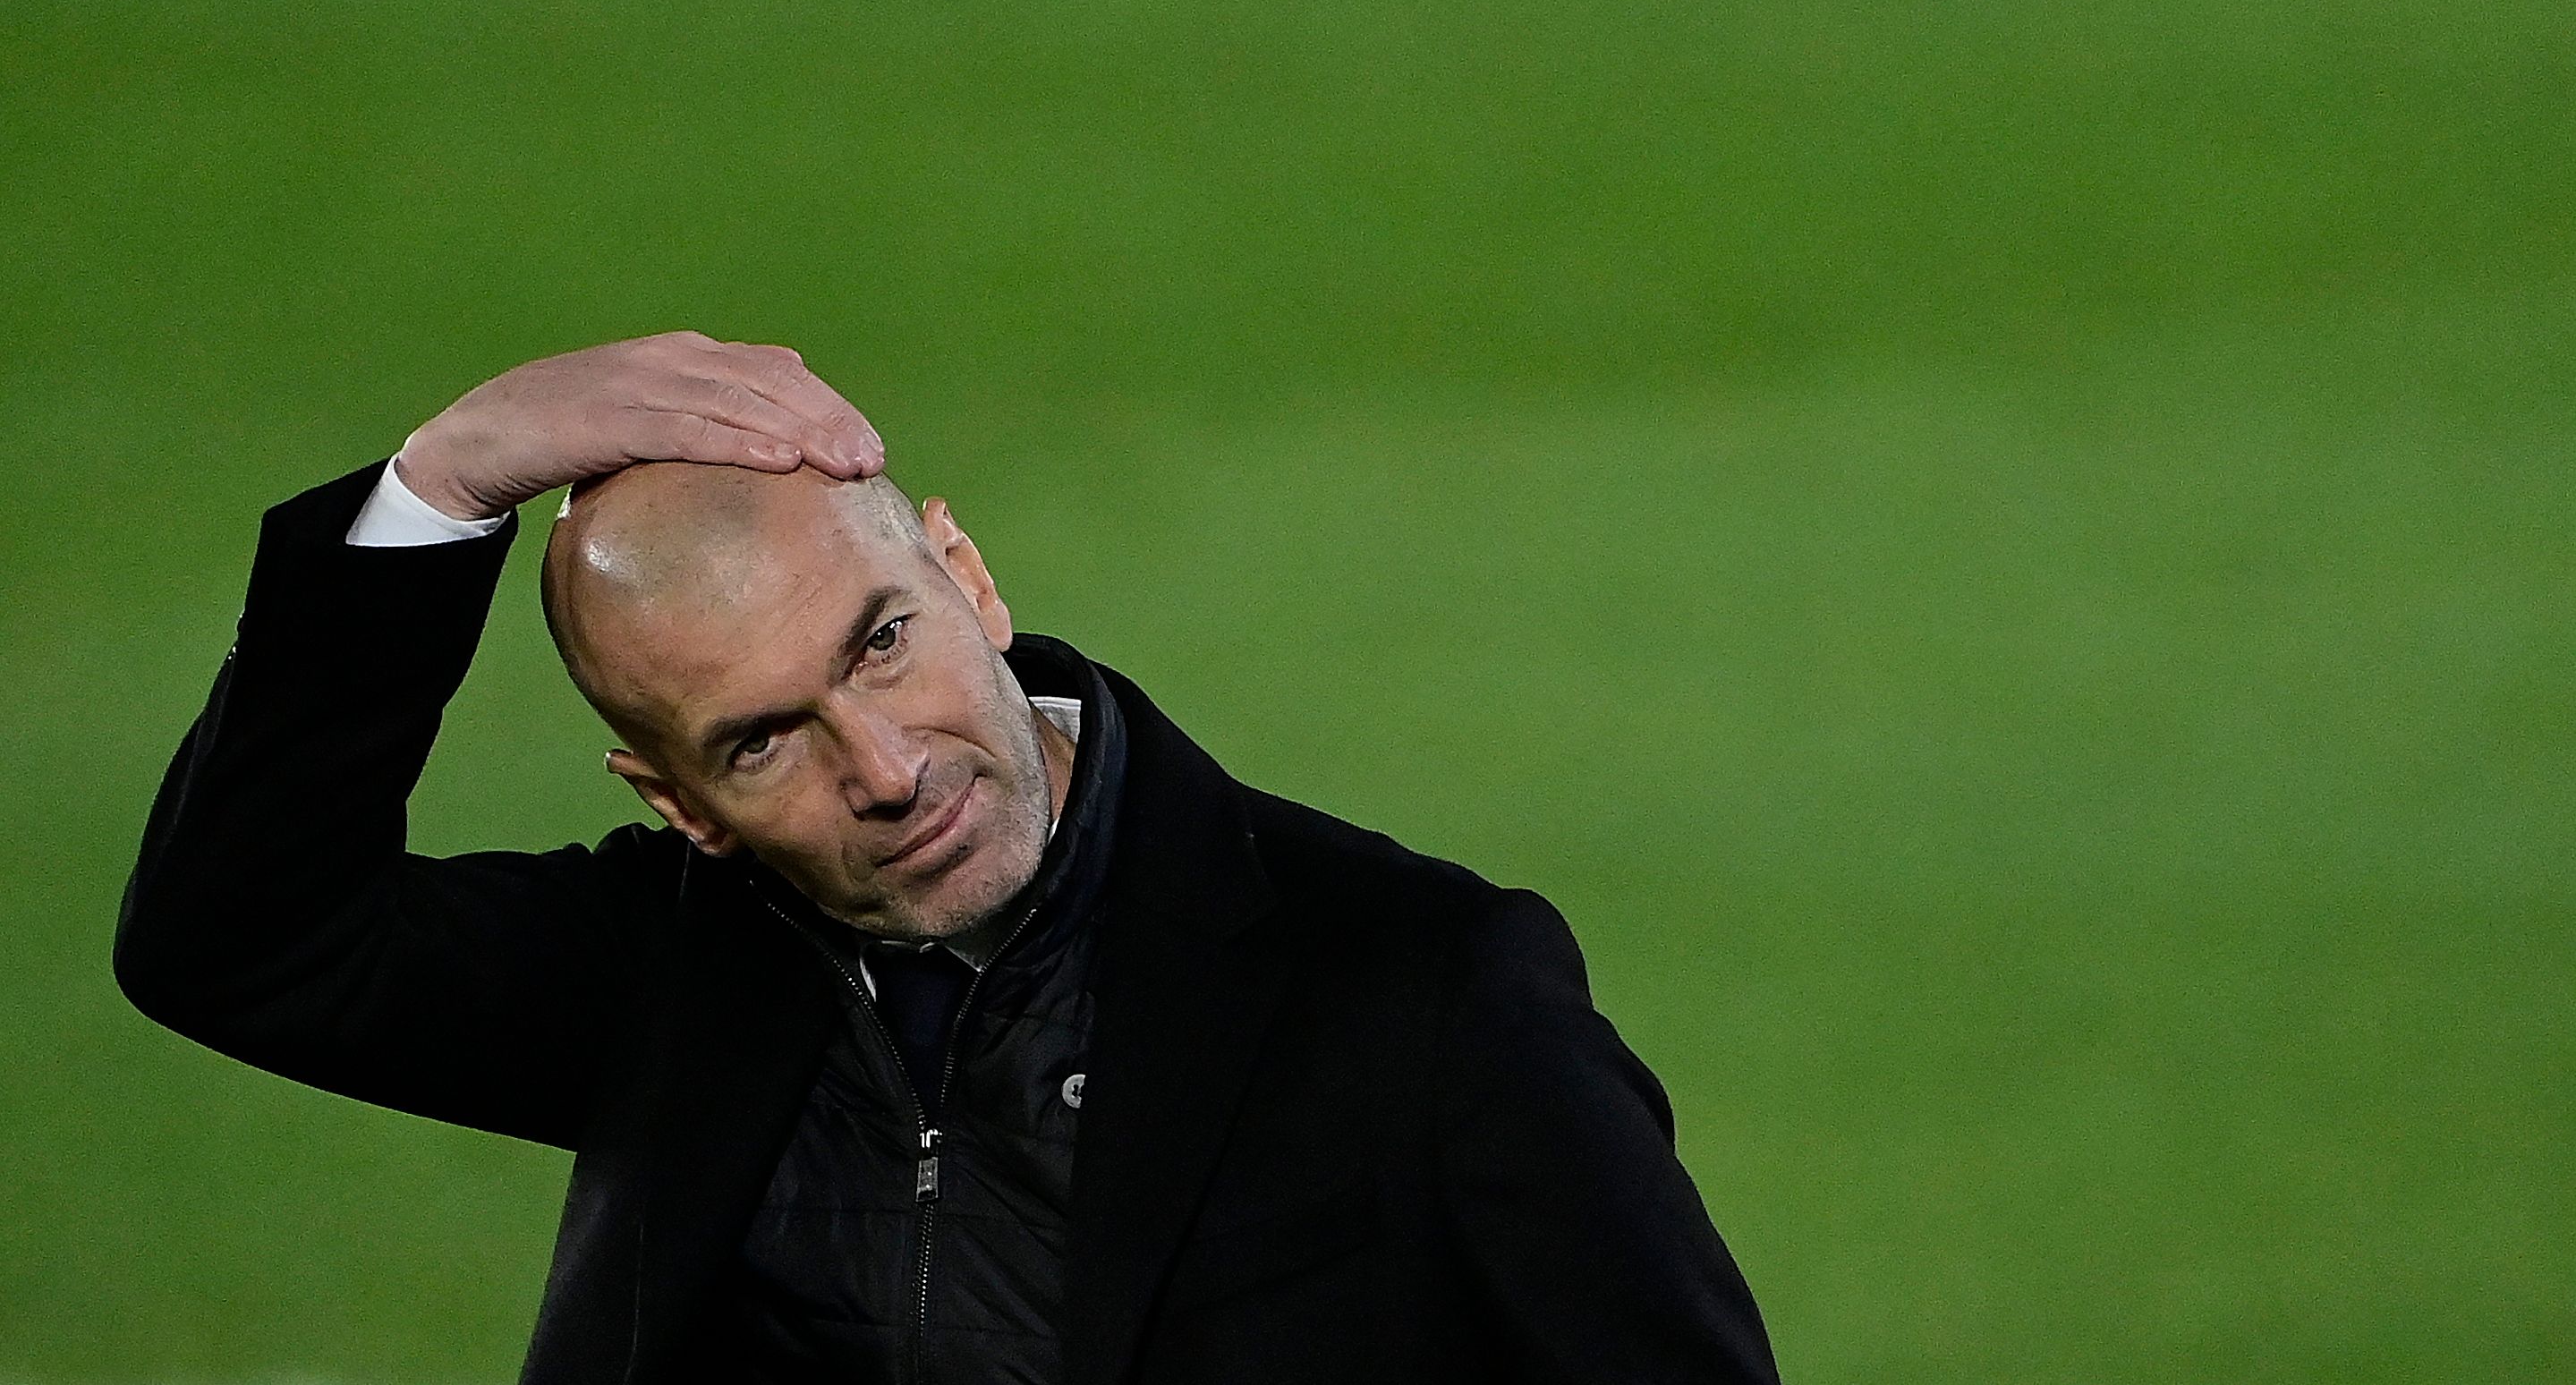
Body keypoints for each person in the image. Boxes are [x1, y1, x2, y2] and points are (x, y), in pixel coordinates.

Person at [115, 332, 1780, 1385]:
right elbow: (241, 942)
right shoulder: (674, 970)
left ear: (968, 580)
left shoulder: (1417, 989)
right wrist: (444, 482)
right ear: (677, 799)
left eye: (883, 640)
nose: (888, 766)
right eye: (764, 740)